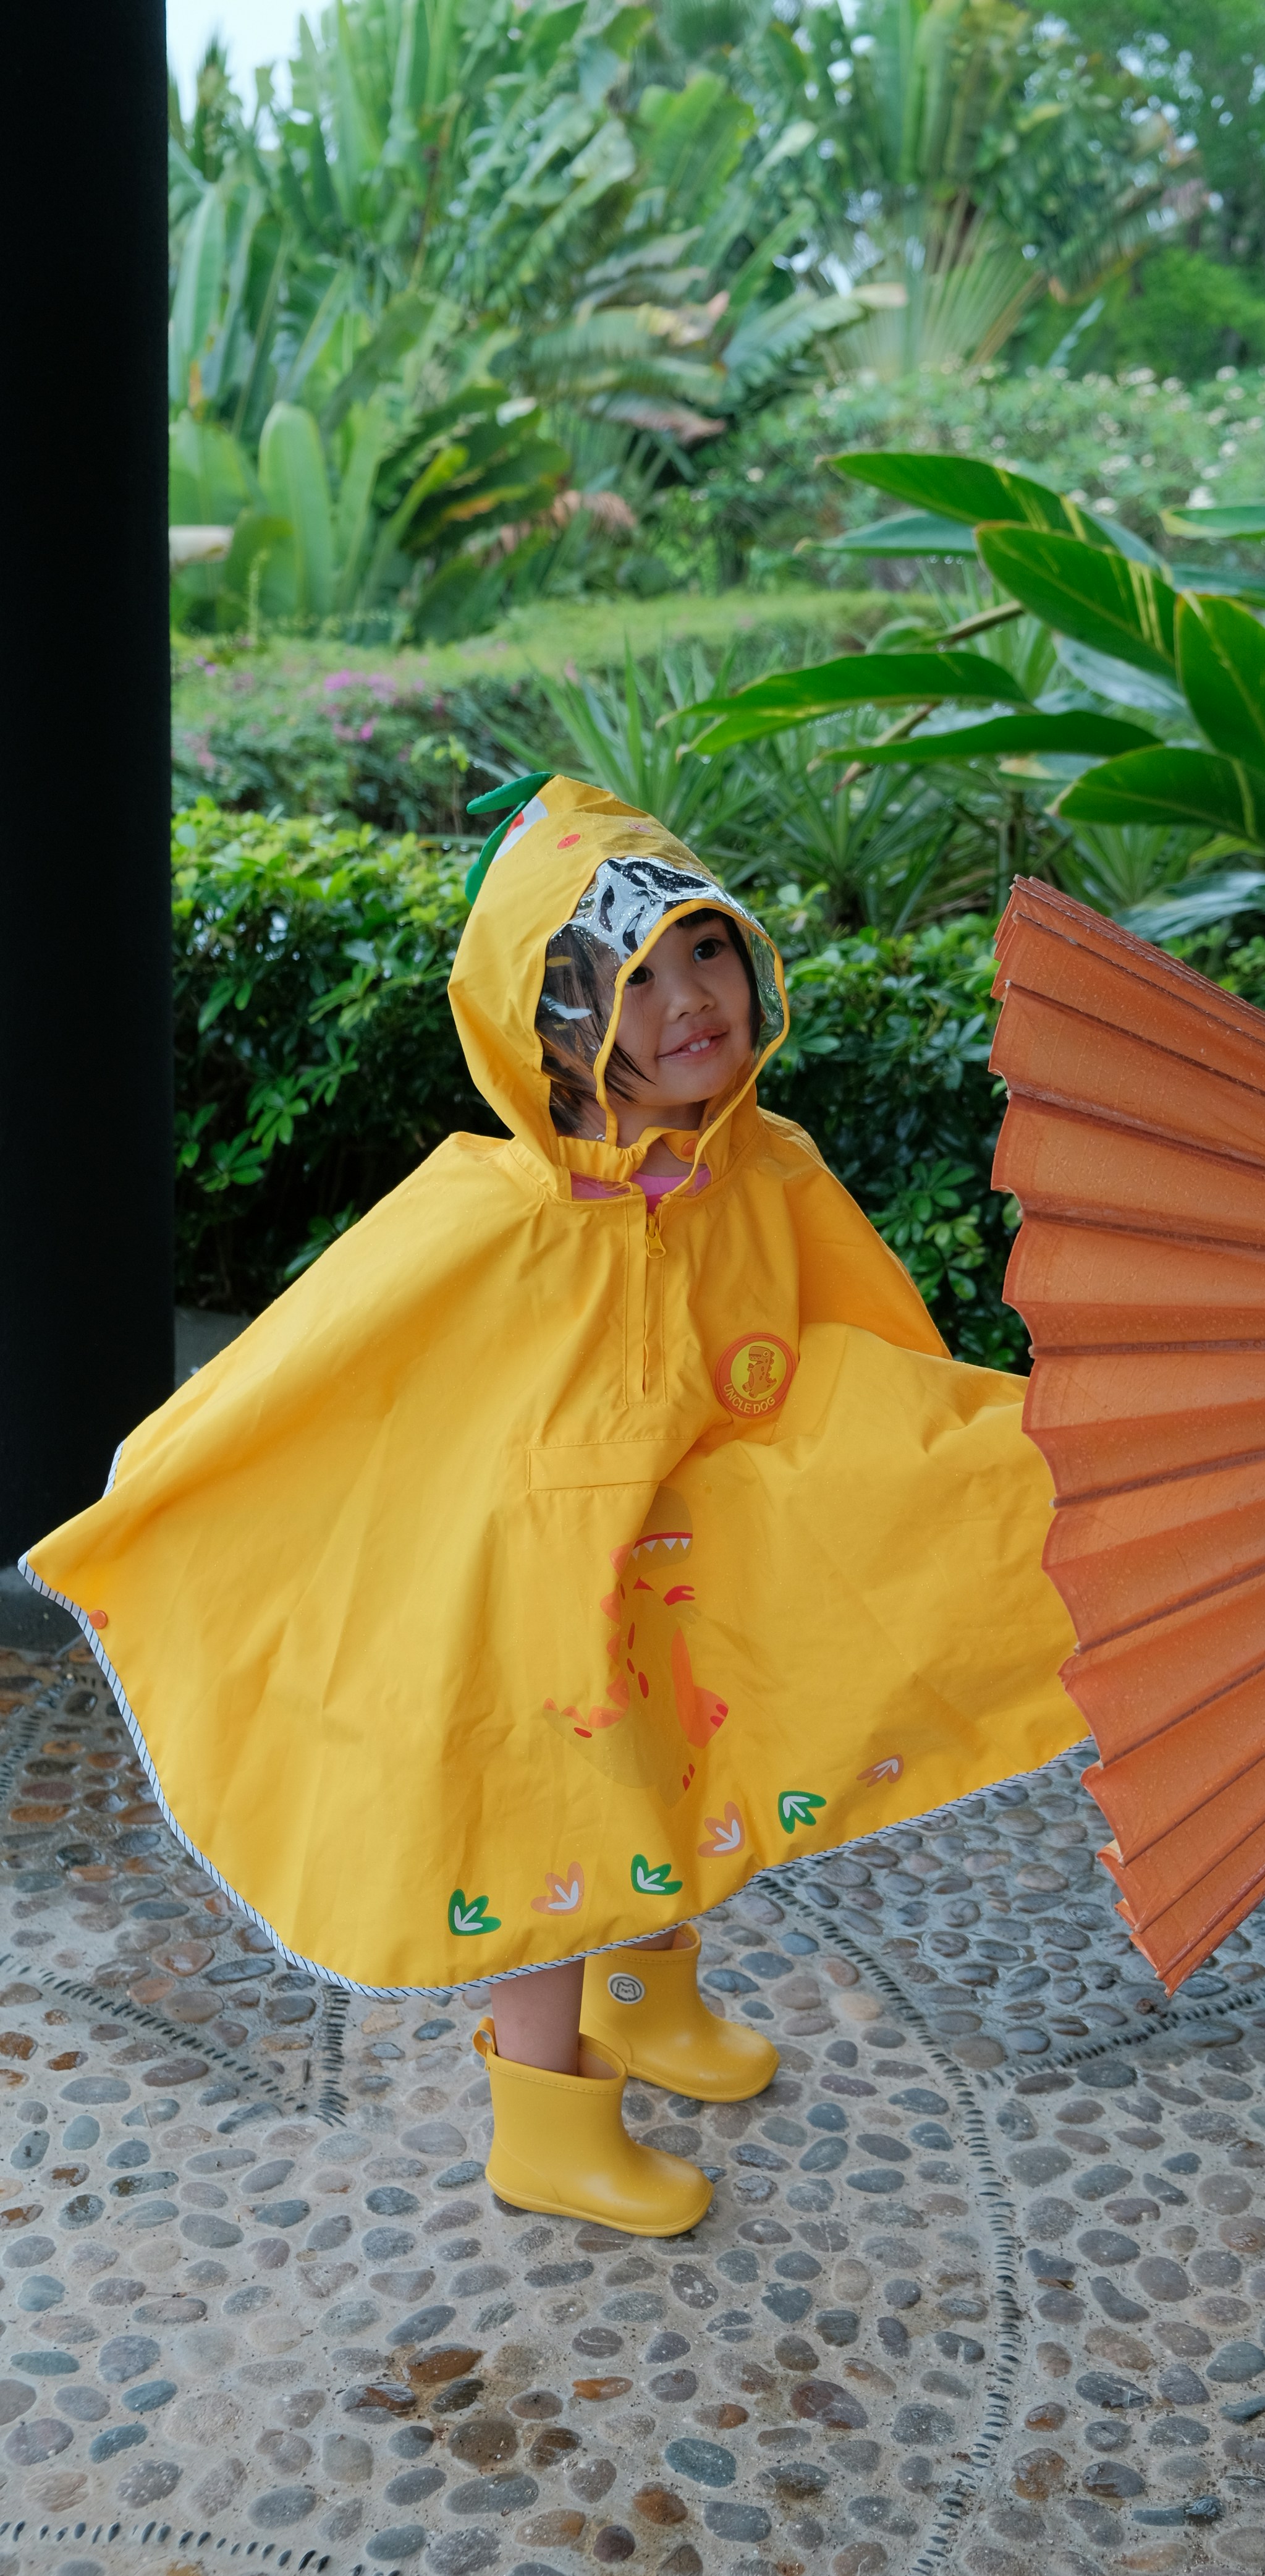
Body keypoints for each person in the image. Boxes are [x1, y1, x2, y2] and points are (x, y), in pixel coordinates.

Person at [21, 775, 1086, 2236]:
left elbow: (865, 1340)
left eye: (704, 951)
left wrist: (914, 1485)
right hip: (537, 1589)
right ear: (553, 1029)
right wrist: (178, 1483)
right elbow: (325, 1357)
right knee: (553, 1838)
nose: (683, 1003)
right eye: (626, 980)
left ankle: (650, 2000)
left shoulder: (766, 1168)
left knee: (679, 1775)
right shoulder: (497, 1212)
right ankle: (548, 2119)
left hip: (694, 1554)